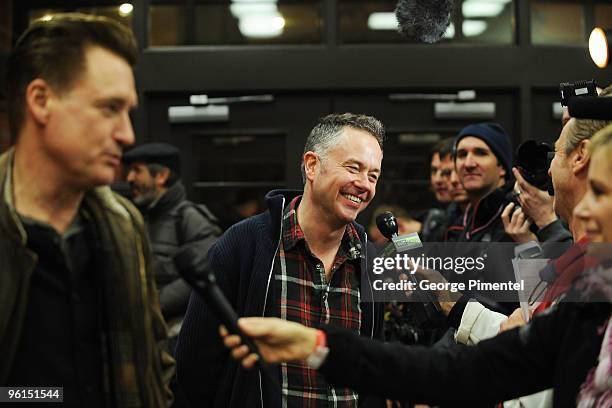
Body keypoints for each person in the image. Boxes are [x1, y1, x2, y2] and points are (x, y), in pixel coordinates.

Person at [221, 124, 612, 406]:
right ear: (311, 166)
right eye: (353, 168)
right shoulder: (588, 303)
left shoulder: (566, 265)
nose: (584, 209)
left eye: (600, 191)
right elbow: (466, 371)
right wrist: (317, 344)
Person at [0, 13, 174, 407]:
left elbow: (153, 361)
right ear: (41, 101)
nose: (127, 134)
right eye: (109, 108)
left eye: (127, 111)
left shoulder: (123, 224)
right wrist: (39, 398)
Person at [176, 113, 386, 407]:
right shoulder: (244, 245)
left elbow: (376, 366)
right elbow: (195, 363)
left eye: (373, 175)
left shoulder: (370, 259)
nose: (364, 184)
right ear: (312, 165)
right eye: (354, 168)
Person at [123, 143, 221, 348]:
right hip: (142, 335)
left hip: (174, 337)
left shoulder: (190, 218)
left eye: (137, 171)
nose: (129, 178)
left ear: (161, 176)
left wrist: (153, 303)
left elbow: (205, 273)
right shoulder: (138, 217)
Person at [453, 122, 514, 242]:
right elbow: (429, 240)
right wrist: (404, 240)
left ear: (501, 166)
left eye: (480, 153)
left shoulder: (520, 215)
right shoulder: (459, 215)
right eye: (462, 155)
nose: (468, 164)